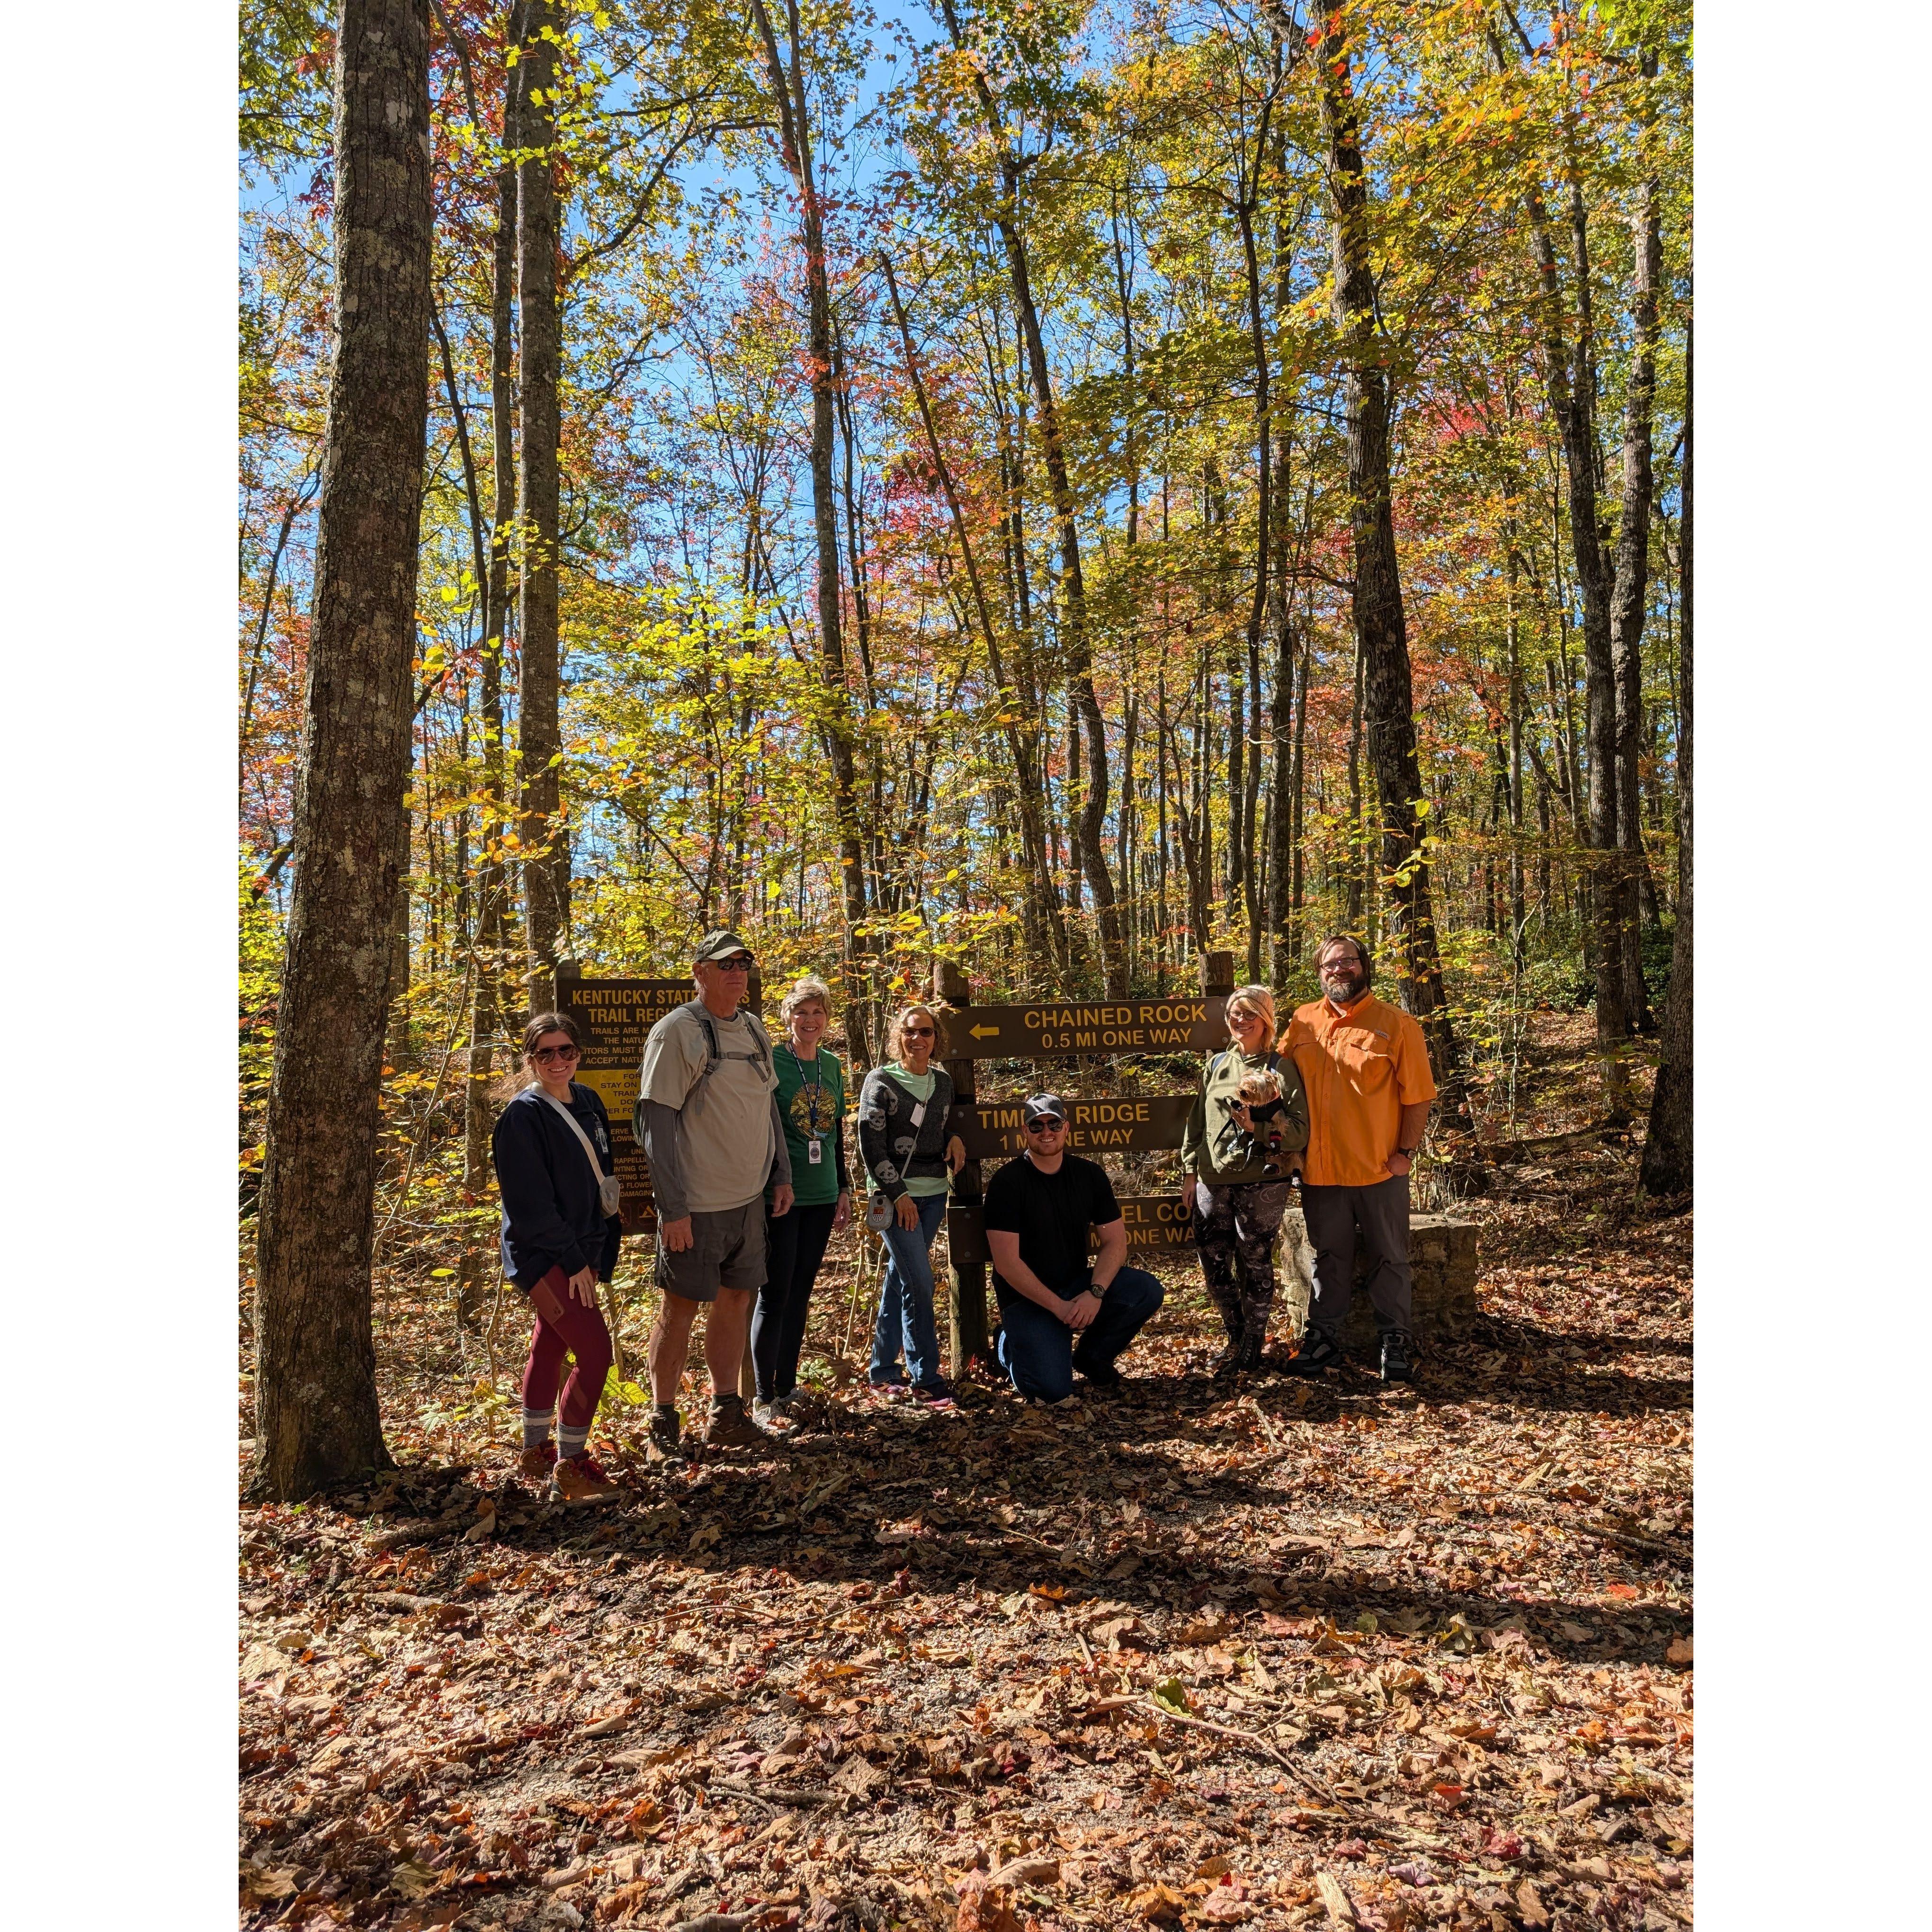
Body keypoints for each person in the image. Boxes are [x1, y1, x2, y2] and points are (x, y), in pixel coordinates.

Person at [635, 930, 794, 1455]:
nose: (736, 971)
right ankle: (662, 1421)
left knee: (736, 1300)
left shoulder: (752, 1027)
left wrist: (782, 1174)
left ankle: (726, 1412)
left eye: (743, 962)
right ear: (699, 972)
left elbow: (767, 1106)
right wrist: (672, 1209)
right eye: (724, 963)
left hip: (748, 1201)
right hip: (697, 1207)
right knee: (679, 1309)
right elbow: (655, 1123)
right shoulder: (677, 1032)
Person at [1279, 934, 1437, 1384]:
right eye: (1330, 964)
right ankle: (1323, 1340)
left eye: (1348, 961)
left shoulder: (1396, 1024)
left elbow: (1419, 1097)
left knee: (1390, 1257)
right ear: (1319, 972)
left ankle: (1395, 1341)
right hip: (1320, 1171)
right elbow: (1280, 1083)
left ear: (1364, 966)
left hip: (1378, 1168)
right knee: (1328, 1257)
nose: (1339, 970)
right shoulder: (1303, 1022)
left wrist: (1405, 1153)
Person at [492, 1013, 624, 1505]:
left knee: (550, 1343)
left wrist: (599, 1251)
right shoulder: (523, 1118)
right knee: (594, 1353)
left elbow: (601, 1178)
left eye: (566, 1050)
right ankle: (571, 1468)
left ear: (578, 1054)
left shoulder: (588, 1102)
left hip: (580, 1249)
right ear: (530, 1060)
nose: (557, 1060)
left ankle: (535, 1451)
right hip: (545, 1255)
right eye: (545, 1053)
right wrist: (572, 1261)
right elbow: (530, 1208)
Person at [984, 1094, 1165, 1405]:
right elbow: (1007, 1264)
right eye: (1036, 1126)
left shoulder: (1089, 1175)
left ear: (1066, 1127)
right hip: (1027, 1299)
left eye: (1053, 1124)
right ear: (1025, 1132)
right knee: (1051, 1392)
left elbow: (1115, 1242)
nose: (1046, 1132)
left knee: (1145, 1290)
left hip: (1077, 1285)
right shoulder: (1007, 1183)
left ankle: (1092, 1358)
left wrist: (1095, 1292)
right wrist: (1059, 1307)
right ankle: (1006, 1344)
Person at [1179, 984, 1310, 1379]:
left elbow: (1300, 1132)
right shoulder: (1217, 1063)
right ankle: (1234, 1339)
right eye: (1235, 1014)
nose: (1240, 1021)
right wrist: (1190, 1170)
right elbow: (1197, 1121)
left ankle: (1253, 1345)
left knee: (1254, 1263)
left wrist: (1259, 1127)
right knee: (1214, 1263)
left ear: (1266, 1019)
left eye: (1249, 1013)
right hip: (1211, 1179)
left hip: (1263, 1181)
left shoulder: (1280, 1066)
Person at [751, 976, 853, 1430]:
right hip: (781, 1193)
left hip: (823, 1193)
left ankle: (787, 1386)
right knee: (775, 1293)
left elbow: (835, 1133)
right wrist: (774, 1179)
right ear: (787, 1017)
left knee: (801, 1294)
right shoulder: (771, 1061)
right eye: (801, 1012)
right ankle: (762, 1395)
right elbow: (758, 1128)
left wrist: (845, 1188)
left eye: (817, 1013)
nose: (809, 1021)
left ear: (827, 1019)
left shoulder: (832, 1065)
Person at [857, 1002, 966, 1408]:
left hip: (935, 1193)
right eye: (909, 1031)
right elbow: (872, 1145)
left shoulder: (942, 1082)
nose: (917, 1039)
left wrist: (953, 1136)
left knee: (900, 1279)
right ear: (897, 1037)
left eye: (925, 1032)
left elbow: (940, 1124)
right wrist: (899, 1195)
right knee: (920, 1282)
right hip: (894, 1198)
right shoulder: (881, 1081)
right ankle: (926, 1378)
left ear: (936, 1038)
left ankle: (884, 1371)